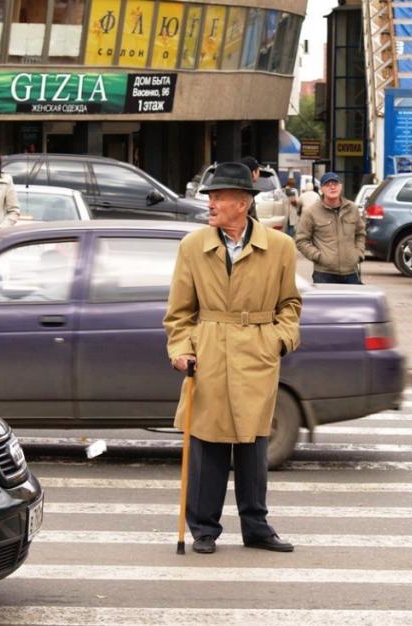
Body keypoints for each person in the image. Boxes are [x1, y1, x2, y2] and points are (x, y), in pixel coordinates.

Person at [163, 161, 301, 555]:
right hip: (209, 351)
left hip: (256, 351)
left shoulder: (280, 248)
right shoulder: (193, 246)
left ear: (242, 203)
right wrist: (181, 350)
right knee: (207, 444)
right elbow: (179, 311)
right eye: (210, 197)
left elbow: (290, 304)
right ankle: (204, 529)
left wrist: (279, 339)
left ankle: (256, 527)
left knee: (253, 446)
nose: (211, 204)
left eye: (218, 197)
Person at [295, 171, 366, 284]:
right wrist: (318, 256)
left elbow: (360, 234)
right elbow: (301, 240)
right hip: (324, 274)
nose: (332, 187)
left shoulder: (352, 209)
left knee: (352, 302)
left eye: (335, 184)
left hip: (351, 273)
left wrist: (358, 253)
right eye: (328, 185)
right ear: (321, 189)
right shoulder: (311, 212)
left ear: (341, 186)